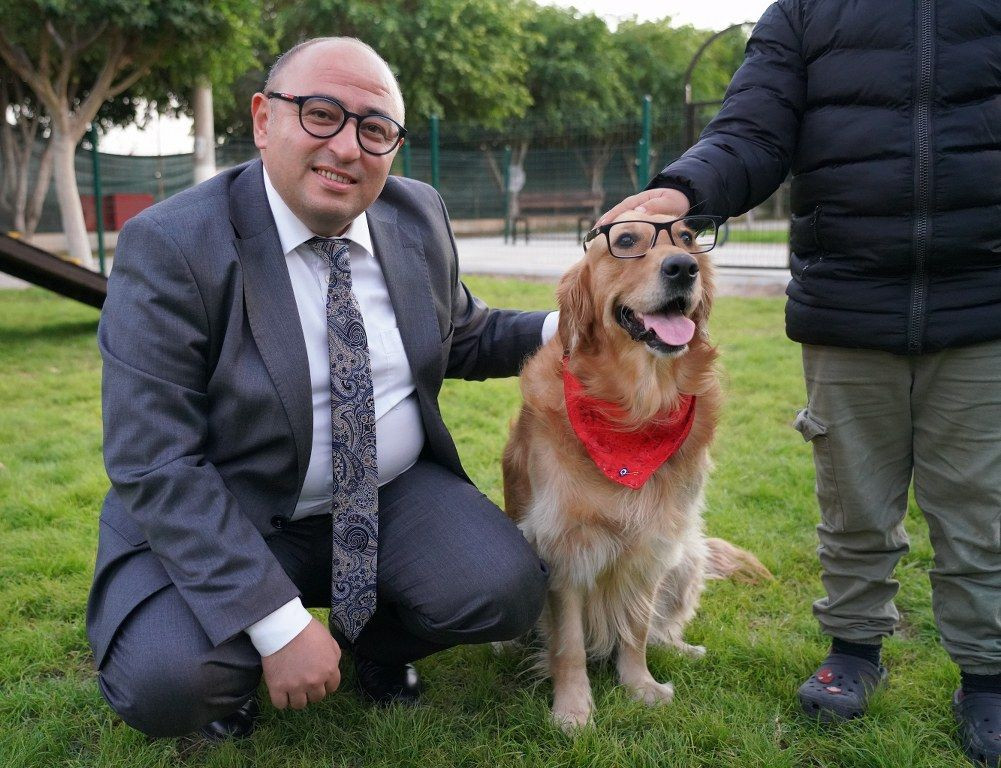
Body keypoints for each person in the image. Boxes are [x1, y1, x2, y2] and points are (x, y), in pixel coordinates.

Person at [88, 37, 554, 740]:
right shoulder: (172, 245)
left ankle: (372, 647)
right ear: (262, 119)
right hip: (234, 504)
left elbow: (457, 333)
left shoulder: (415, 212)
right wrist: (276, 628)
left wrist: (573, 326)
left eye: (374, 129)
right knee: (168, 682)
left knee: (502, 590)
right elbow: (153, 460)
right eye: (320, 114)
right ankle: (237, 672)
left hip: (388, 493)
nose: (346, 147)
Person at [602, 1, 1001, 764]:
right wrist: (682, 191)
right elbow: (751, 133)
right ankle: (852, 651)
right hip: (850, 302)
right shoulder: (807, 12)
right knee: (852, 501)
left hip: (980, 303)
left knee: (979, 509)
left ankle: (985, 676)